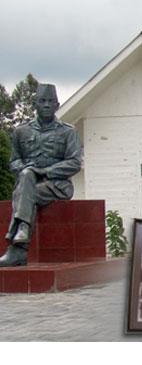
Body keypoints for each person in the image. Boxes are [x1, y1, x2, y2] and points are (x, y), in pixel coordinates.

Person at [0, 84, 82, 267]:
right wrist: (25, 168)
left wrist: (45, 171)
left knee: (24, 192)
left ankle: (18, 246)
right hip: (29, 182)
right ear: (34, 105)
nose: (46, 105)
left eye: (50, 101)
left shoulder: (68, 132)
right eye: (42, 101)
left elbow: (75, 162)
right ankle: (21, 233)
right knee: (27, 176)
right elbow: (14, 161)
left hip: (57, 186)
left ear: (57, 105)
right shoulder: (21, 131)